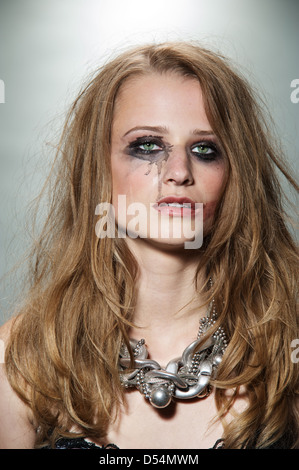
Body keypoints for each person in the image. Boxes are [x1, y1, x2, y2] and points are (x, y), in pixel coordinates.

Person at [0, 42, 298, 450]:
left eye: (205, 150)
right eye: (147, 146)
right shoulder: (19, 359)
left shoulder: (289, 340)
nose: (178, 172)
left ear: (235, 175)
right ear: (98, 166)